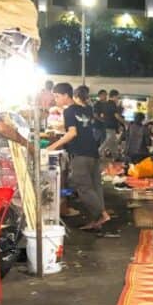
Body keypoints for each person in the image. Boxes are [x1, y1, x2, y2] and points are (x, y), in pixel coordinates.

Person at [46, 84, 108, 230]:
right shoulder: (85, 109)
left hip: (80, 154)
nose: (55, 100)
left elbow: (72, 133)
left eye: (57, 96)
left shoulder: (69, 111)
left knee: (83, 187)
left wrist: (52, 146)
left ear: (66, 95)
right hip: (93, 152)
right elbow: (81, 127)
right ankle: (96, 221)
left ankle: (102, 214)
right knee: (95, 186)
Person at [95, 88, 123, 159]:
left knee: (113, 142)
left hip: (107, 125)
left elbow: (104, 115)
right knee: (108, 140)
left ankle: (116, 156)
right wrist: (125, 123)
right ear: (114, 96)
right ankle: (98, 152)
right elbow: (116, 116)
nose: (118, 99)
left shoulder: (106, 104)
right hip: (105, 126)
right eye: (117, 97)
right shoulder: (110, 104)